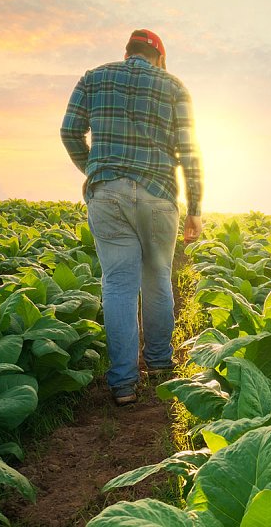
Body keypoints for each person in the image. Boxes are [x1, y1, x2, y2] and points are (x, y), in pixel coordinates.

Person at [60, 29, 203, 406]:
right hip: (158, 195)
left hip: (108, 193)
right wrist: (196, 208)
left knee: (119, 285)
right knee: (157, 279)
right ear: (159, 57)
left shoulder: (93, 77)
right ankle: (159, 364)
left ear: (128, 52)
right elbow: (188, 151)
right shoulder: (173, 85)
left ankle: (123, 384)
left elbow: (69, 131)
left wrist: (94, 169)